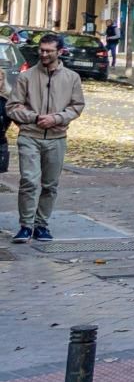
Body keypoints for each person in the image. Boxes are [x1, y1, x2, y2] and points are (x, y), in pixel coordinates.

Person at [8, 34, 84, 242]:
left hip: (57, 138)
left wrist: (56, 118)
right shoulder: (26, 77)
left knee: (50, 184)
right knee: (29, 181)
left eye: (49, 51)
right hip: (29, 136)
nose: (43, 54)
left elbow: (77, 106)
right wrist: (35, 117)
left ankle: (41, 225)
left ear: (60, 52)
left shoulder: (72, 78)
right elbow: (12, 107)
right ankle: (26, 225)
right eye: (41, 50)